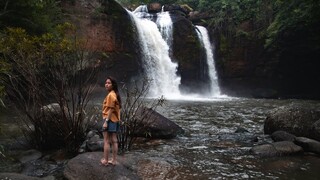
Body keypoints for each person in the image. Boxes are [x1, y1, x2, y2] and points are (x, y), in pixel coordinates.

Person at [100, 76, 121, 166]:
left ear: (113, 85)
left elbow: (111, 109)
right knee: (114, 140)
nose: (106, 84)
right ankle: (114, 160)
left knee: (106, 141)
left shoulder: (111, 95)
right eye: (106, 83)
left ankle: (105, 160)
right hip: (115, 119)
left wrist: (106, 121)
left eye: (109, 83)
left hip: (109, 119)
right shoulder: (114, 94)